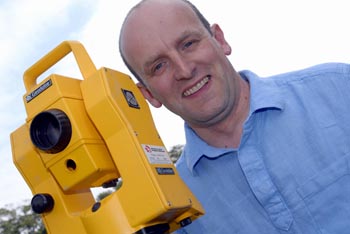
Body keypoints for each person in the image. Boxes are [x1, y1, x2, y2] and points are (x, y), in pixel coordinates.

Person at [119, 0, 350, 233]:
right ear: (148, 94)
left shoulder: (339, 89)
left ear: (220, 40)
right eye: (159, 66)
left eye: (188, 44)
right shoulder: (178, 209)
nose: (184, 70)